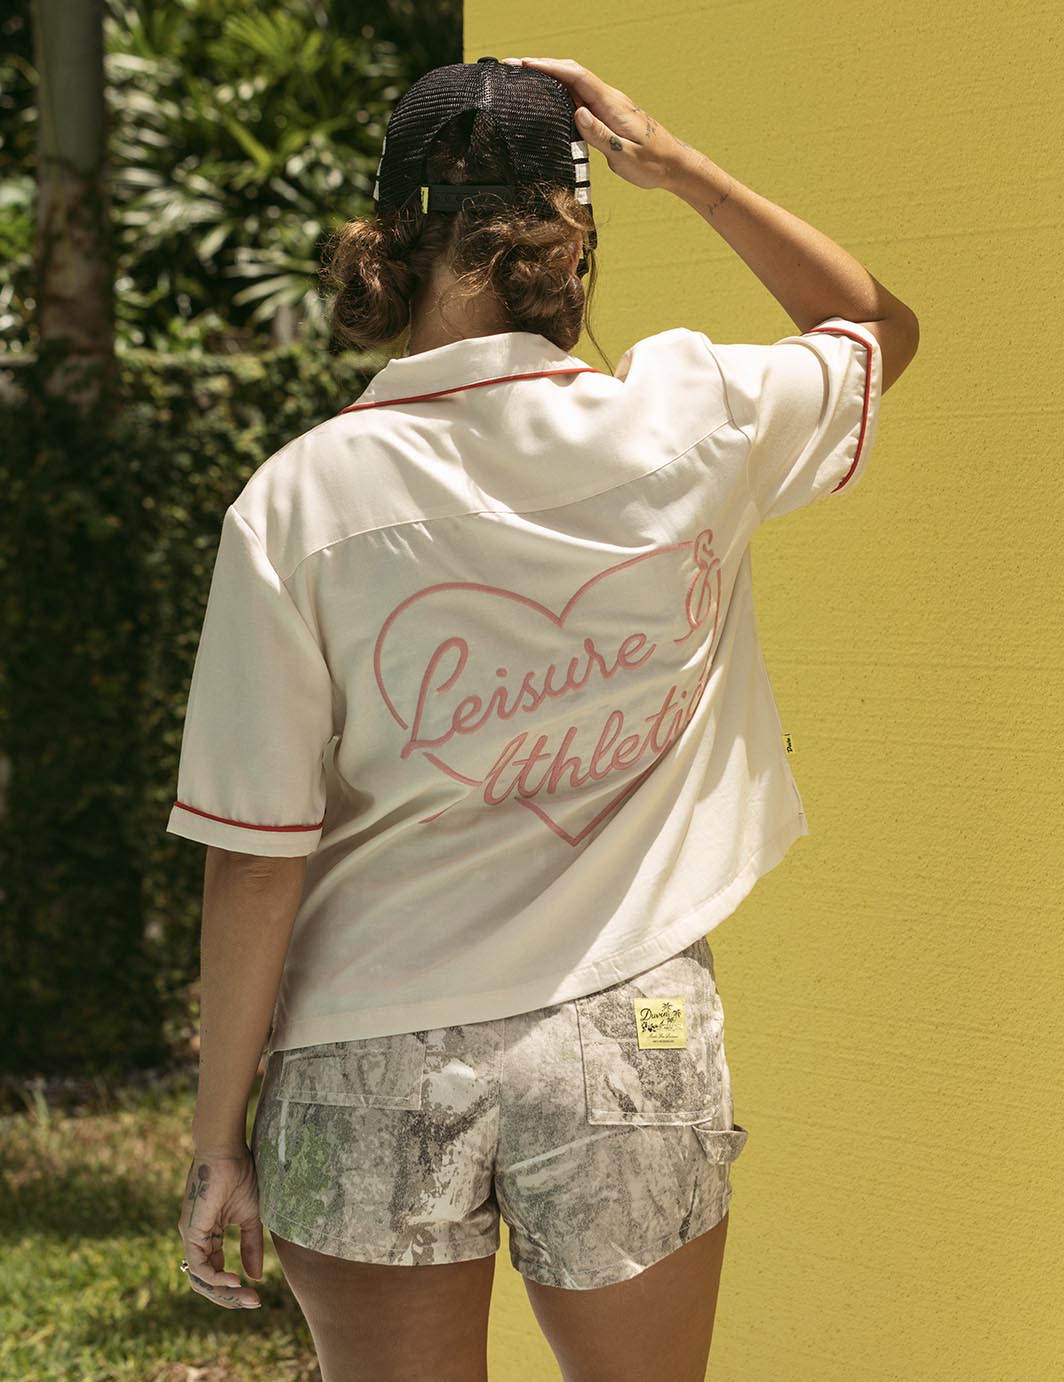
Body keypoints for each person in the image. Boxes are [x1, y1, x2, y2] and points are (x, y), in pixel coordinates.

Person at [172, 54, 919, 1382]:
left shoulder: (297, 502)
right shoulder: (695, 415)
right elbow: (870, 325)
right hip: (628, 1031)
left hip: (365, 1045)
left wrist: (215, 1137)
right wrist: (682, 168)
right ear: (570, 239)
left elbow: (259, 854)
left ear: (386, 241)